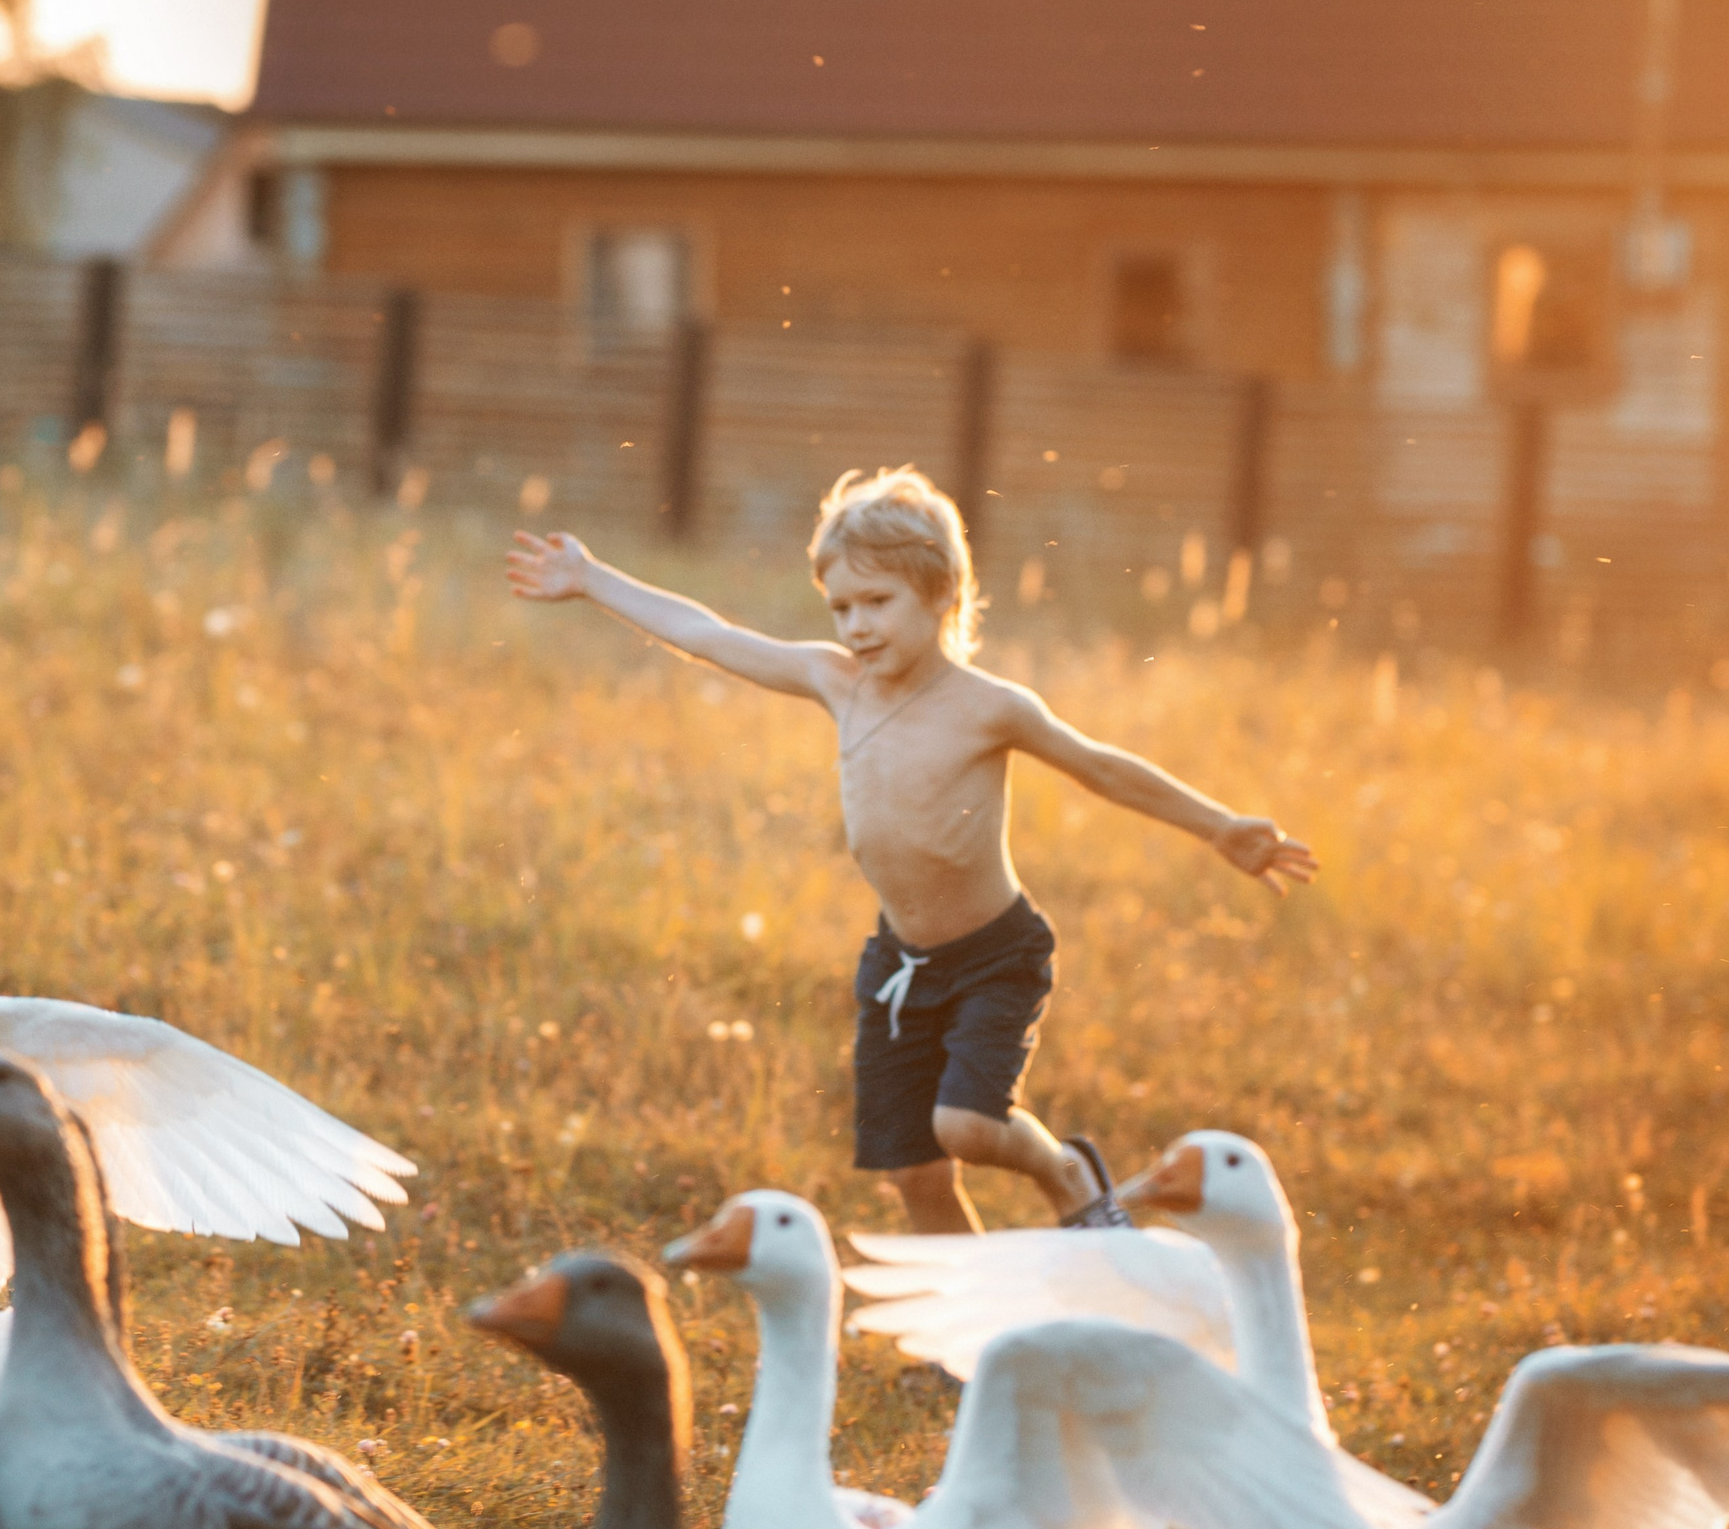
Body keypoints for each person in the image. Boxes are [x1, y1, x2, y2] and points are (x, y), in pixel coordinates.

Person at [506, 466, 1315, 1234]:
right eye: (841, 607)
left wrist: (1220, 827)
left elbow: (1103, 768)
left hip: (995, 957)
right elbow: (708, 634)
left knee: (964, 1125)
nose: (857, 626)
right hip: (899, 966)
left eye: (878, 602)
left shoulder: (989, 708)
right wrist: (590, 579)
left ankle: (1066, 1174)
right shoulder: (835, 681)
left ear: (940, 594)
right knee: (915, 1175)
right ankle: (962, 1352)